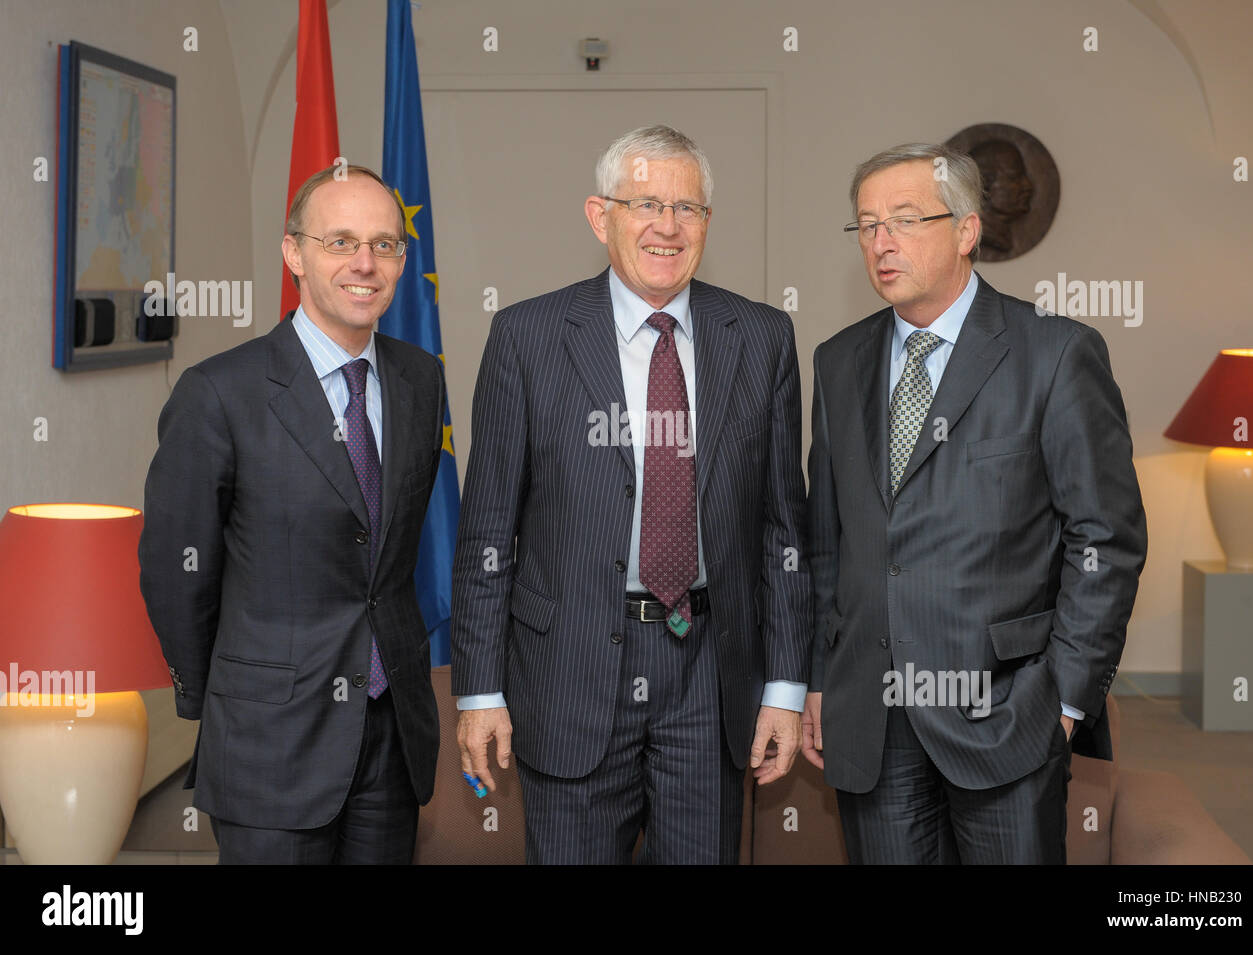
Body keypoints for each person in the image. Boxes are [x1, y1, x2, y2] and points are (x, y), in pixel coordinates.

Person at [451, 125, 811, 864]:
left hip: (709, 669)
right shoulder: (527, 336)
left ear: (708, 223)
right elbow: (487, 529)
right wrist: (479, 691)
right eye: (645, 201)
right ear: (599, 214)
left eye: (688, 207)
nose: (667, 226)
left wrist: (784, 683)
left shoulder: (763, 337)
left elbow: (784, 530)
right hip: (570, 667)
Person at [803, 143, 1147, 864]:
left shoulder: (1054, 353)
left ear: (966, 230)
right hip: (873, 716)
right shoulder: (837, 361)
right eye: (865, 226)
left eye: (902, 220)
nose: (881, 242)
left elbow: (1105, 538)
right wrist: (818, 681)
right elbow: (828, 542)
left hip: (1008, 712)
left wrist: (1066, 702)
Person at [138, 164, 446, 864]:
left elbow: (392, 558)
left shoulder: (420, 380)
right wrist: (227, 692)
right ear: (294, 254)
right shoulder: (219, 393)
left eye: (384, 244)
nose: (365, 263)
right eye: (340, 241)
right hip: (269, 739)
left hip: (392, 731)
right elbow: (175, 571)